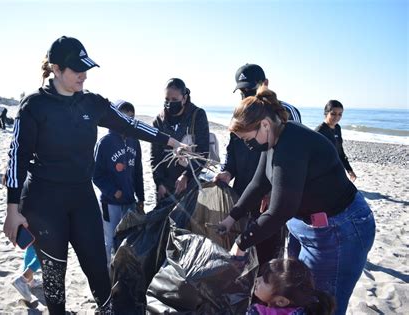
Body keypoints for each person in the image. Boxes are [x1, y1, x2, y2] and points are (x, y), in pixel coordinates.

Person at [2, 36, 185, 314]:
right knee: (54, 277)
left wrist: (171, 142)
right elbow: (17, 158)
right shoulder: (34, 106)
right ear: (56, 68)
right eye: (77, 69)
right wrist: (12, 210)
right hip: (43, 203)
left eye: (85, 68)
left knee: (98, 267)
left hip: (82, 198)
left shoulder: (92, 103)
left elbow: (131, 125)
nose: (83, 75)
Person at [218, 86, 375, 315]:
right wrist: (232, 218)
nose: (246, 144)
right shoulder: (273, 138)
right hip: (304, 227)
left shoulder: (292, 144)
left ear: (264, 124)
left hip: (339, 231)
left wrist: (241, 244)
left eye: (247, 138)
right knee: (295, 300)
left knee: (322, 304)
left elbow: (280, 210)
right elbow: (258, 183)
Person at [214, 64, 302, 265]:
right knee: (240, 258)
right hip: (244, 193)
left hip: (270, 200)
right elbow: (232, 152)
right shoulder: (241, 113)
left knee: (267, 259)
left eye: (250, 89)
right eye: (242, 91)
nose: (247, 95)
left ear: (265, 84)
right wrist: (227, 172)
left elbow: (290, 162)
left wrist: (273, 191)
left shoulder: (286, 113)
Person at [93, 100, 145, 266]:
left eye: (131, 118)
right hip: (111, 203)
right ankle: (107, 275)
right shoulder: (105, 143)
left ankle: (121, 274)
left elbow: (138, 172)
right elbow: (96, 174)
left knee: (127, 241)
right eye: (123, 117)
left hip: (130, 201)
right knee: (110, 241)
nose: (127, 121)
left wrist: (141, 197)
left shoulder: (134, 141)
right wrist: (113, 191)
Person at [151, 78, 210, 201]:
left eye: (174, 100)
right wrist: (159, 183)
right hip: (165, 185)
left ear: (184, 98)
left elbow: (203, 152)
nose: (170, 103)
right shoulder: (159, 120)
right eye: (167, 100)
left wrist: (186, 176)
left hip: (190, 183)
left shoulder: (197, 115)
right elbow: (155, 156)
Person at [247, 258, 335, 315]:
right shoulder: (305, 310)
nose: (257, 279)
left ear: (281, 301)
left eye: (265, 281)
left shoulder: (257, 312)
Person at [316, 100, 356, 182]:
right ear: (326, 113)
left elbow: (340, 151)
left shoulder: (337, 128)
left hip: (335, 168)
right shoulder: (319, 131)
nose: (337, 117)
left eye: (340, 114)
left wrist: (349, 169)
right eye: (333, 114)